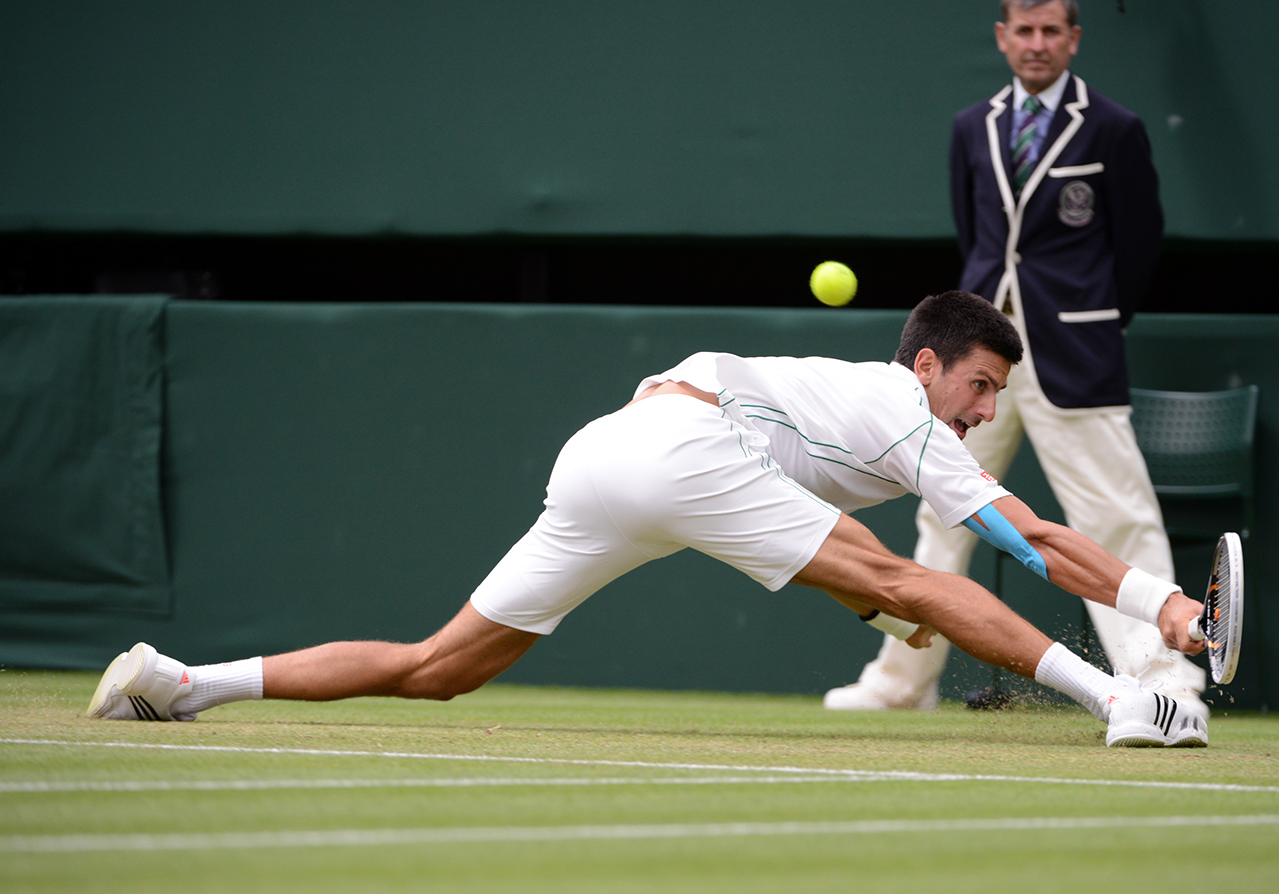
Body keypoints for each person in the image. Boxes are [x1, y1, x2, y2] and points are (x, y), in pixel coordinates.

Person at [88, 291, 1208, 748]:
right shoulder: (904, 416)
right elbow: (1033, 540)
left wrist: (873, 604)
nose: (976, 415)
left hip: (609, 452)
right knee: (924, 580)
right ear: (925, 366)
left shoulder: (856, 411)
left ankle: (179, 682)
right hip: (680, 449)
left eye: (988, 404)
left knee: (439, 667)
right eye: (974, 389)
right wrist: (1164, 611)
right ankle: (1121, 703)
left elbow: (829, 540)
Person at [823, 0, 1207, 725]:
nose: (1037, 45)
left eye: (1051, 32)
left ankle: (1165, 679)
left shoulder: (1114, 126)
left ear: (1073, 39)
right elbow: (978, 237)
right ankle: (904, 679)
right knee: (942, 514)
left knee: (1115, 516)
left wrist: (1095, 319)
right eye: (1023, 32)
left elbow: (1139, 243)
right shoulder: (973, 125)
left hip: (1077, 353)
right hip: (976, 358)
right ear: (1001, 37)